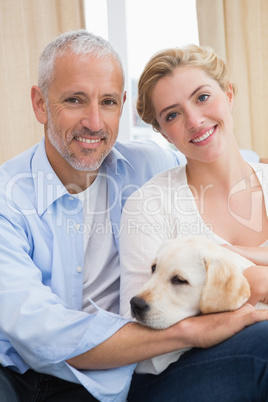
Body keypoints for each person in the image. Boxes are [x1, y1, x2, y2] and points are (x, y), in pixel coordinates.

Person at [0, 30, 267, 402]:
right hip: (22, 374)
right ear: (40, 103)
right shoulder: (8, 199)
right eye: (75, 100)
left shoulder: (146, 163)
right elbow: (41, 333)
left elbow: (210, 150)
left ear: (122, 105)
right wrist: (195, 330)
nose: (94, 122)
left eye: (108, 102)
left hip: (118, 372)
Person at [119, 44, 268, 401]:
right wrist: (254, 283)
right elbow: (139, 324)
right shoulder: (149, 206)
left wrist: (237, 256)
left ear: (228, 94)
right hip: (172, 373)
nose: (195, 120)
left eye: (202, 97)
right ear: (162, 132)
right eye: (172, 115)